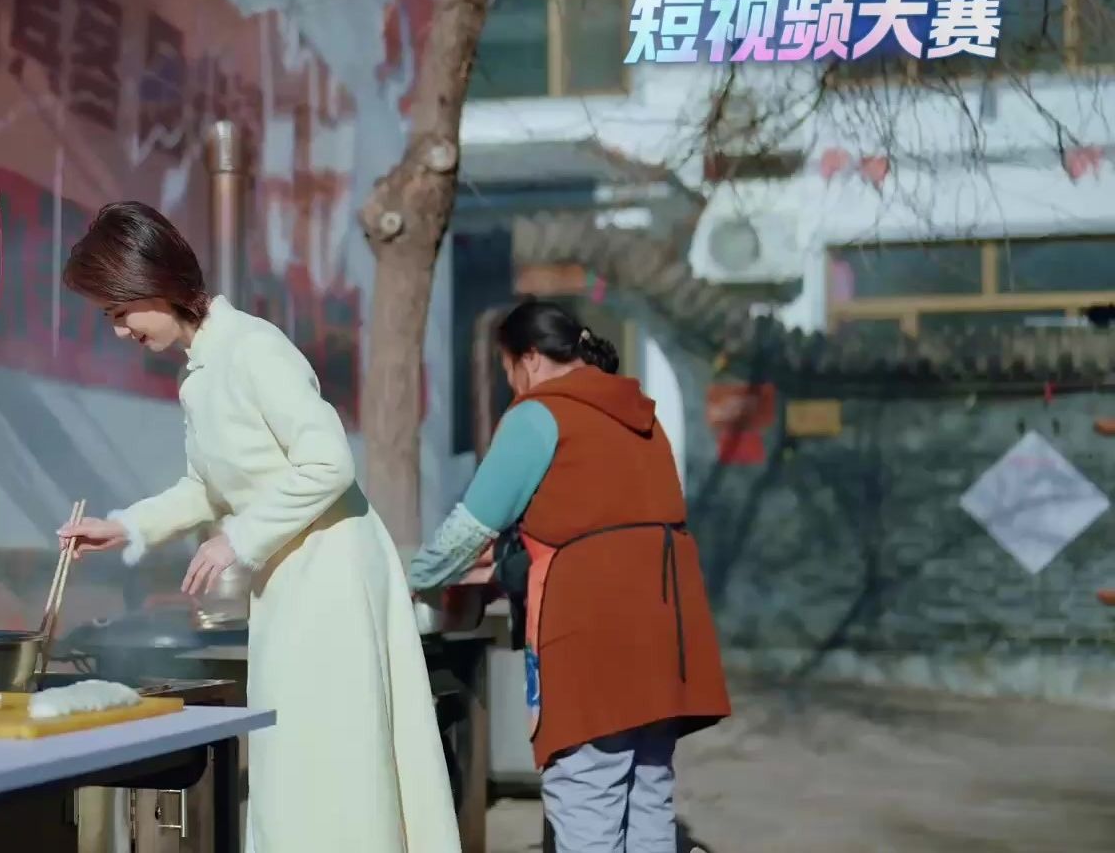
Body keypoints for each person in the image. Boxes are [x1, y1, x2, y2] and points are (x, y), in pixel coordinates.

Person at [56, 201, 458, 853]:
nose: (121, 331)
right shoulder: (202, 372)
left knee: (331, 759)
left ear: (152, 283)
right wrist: (125, 527)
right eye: (110, 317)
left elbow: (328, 463)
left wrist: (239, 538)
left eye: (120, 311)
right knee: (296, 760)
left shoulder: (253, 348)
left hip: (331, 574)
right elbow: (204, 488)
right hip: (291, 577)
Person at [409, 299, 729, 852]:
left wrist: (411, 579)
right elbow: (609, 524)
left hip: (591, 640)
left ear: (530, 358)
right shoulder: (639, 415)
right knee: (648, 803)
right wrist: (509, 565)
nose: (512, 387)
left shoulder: (539, 415)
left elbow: (469, 529)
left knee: (586, 802)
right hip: (666, 639)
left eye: (509, 371)